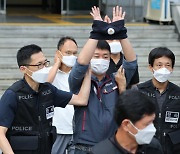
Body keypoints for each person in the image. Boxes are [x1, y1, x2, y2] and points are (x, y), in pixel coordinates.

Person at [68, 6, 137, 153]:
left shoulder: (116, 79)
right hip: (83, 147)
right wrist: (96, 32)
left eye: (105, 57)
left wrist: (121, 33)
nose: (101, 60)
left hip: (112, 146)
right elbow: (81, 63)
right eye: (96, 56)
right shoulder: (79, 81)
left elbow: (131, 63)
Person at [0, 44, 91, 154]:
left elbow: (82, 100)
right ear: (24, 69)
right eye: (39, 65)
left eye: (45, 63)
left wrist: (88, 72)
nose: (44, 68)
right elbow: (1, 133)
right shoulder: (13, 94)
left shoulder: (48, 90)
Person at [136, 47, 180, 154]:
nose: (163, 69)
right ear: (151, 67)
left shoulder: (178, 93)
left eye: (167, 65)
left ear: (172, 69)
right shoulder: (139, 91)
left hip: (173, 148)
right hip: (147, 147)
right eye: (159, 65)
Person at [91, 90, 163, 154]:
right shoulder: (100, 152)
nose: (152, 128)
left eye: (152, 122)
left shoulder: (154, 148)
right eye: (147, 124)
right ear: (126, 124)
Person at [47, 36, 78, 154]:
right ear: (58, 53)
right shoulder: (50, 72)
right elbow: (44, 86)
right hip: (58, 129)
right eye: (68, 53)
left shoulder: (79, 75)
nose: (72, 56)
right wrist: (56, 64)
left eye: (75, 53)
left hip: (77, 130)